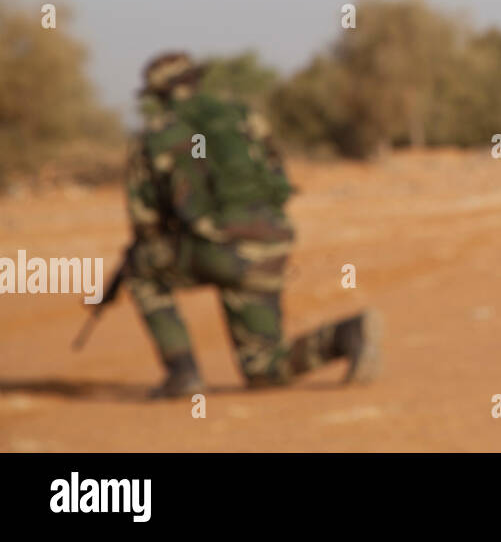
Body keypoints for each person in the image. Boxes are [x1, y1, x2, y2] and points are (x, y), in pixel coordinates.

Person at [124, 51, 380, 398]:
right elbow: (276, 176)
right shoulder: (243, 117)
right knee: (264, 370)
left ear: (158, 95)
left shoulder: (158, 134)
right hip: (270, 244)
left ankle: (182, 374)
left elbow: (144, 220)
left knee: (140, 271)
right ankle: (348, 334)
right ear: (196, 81)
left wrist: (187, 230)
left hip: (217, 250)